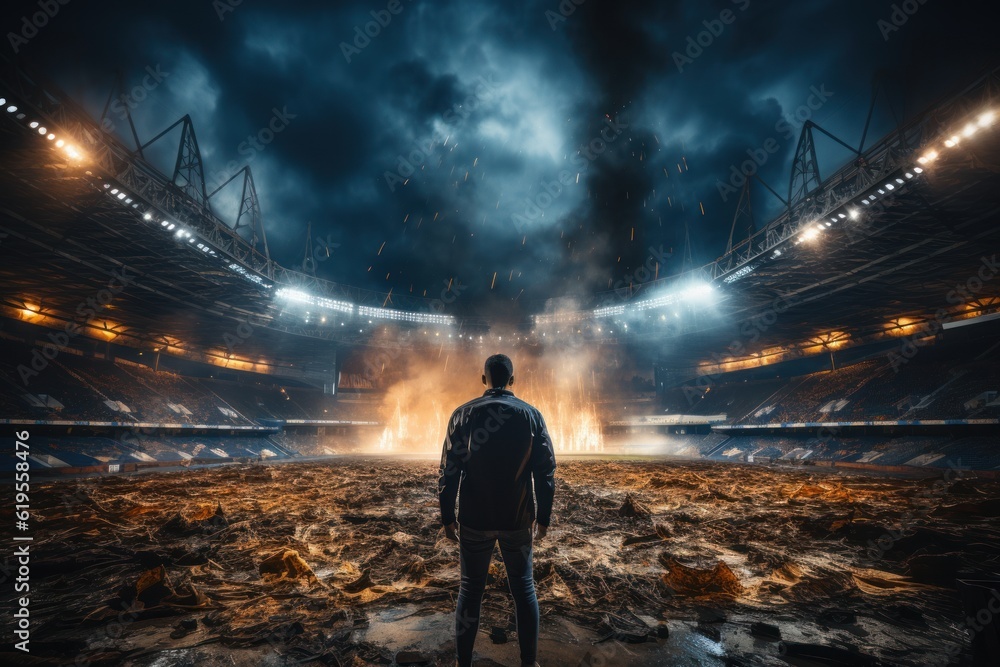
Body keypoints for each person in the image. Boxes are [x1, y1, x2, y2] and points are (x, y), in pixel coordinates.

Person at [438, 353, 556, 667]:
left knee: (470, 589)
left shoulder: (461, 415)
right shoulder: (532, 415)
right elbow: (544, 473)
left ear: (483, 379)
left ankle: (463, 662)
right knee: (524, 588)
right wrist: (542, 517)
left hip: (475, 518)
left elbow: (449, 472)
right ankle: (529, 662)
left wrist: (447, 517)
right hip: (517, 517)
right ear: (512, 380)